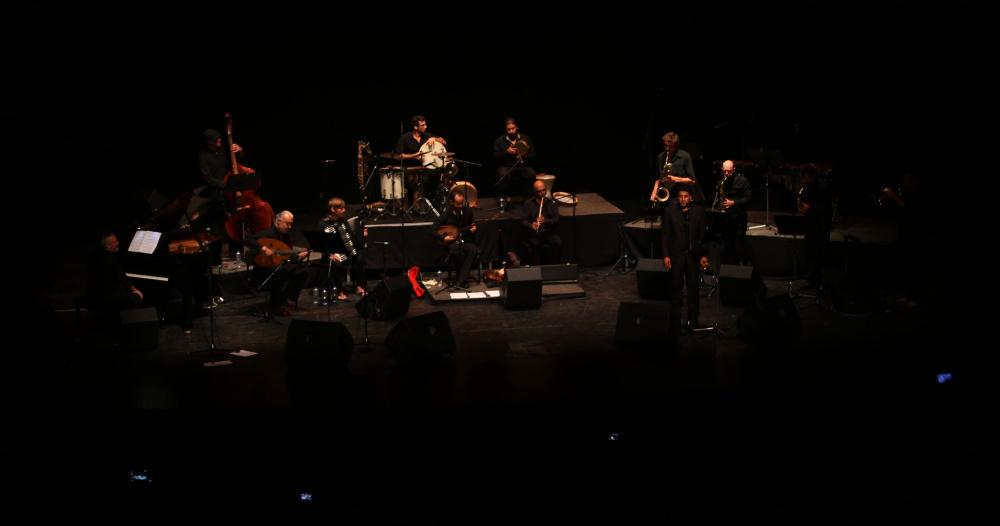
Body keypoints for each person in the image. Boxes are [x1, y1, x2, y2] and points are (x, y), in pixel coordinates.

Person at [661, 188, 710, 334]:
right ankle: (675, 321)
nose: (683, 199)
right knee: (675, 288)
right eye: (680, 196)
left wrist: (703, 255)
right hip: (676, 256)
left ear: (691, 198)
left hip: (693, 256)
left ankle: (693, 320)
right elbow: (665, 235)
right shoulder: (670, 211)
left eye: (686, 196)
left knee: (693, 288)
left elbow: (703, 235)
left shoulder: (698, 211)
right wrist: (666, 255)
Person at [245, 210, 310, 316]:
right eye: (287, 223)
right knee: (280, 272)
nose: (290, 227)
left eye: (291, 224)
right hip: (264, 268)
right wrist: (263, 248)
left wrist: (298, 257)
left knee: (303, 271)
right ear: (278, 221)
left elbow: (287, 255)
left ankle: (287, 299)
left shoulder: (285, 236)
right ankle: (277, 304)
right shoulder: (269, 233)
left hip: (279, 265)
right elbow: (248, 239)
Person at [881, 171, 922, 303]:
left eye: (906, 177)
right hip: (905, 232)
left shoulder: (916, 193)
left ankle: (914, 298)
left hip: (914, 234)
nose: (904, 179)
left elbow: (907, 208)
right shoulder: (906, 191)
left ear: (913, 179)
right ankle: (907, 295)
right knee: (906, 265)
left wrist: (894, 196)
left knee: (913, 266)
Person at [318, 197, 367, 301]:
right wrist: (330, 255)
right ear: (333, 209)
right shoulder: (323, 224)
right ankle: (339, 291)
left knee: (360, 258)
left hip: (345, 254)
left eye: (344, 208)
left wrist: (359, 242)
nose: (344, 210)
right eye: (341, 208)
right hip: (332, 255)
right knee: (336, 263)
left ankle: (359, 286)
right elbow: (322, 245)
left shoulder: (342, 221)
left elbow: (351, 239)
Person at [395, 115, 447, 208]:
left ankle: (429, 206)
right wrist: (415, 156)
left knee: (439, 175)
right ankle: (415, 207)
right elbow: (399, 156)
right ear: (415, 127)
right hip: (410, 170)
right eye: (423, 125)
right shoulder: (405, 138)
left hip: (425, 169)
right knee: (415, 184)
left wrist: (434, 138)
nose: (425, 127)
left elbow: (443, 141)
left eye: (425, 124)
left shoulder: (427, 135)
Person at [432, 190, 479, 289]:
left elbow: (473, 223)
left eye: (462, 203)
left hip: (465, 240)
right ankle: (462, 280)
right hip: (452, 242)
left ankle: (461, 280)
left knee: (473, 250)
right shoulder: (447, 213)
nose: (461, 206)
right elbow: (432, 229)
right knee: (456, 251)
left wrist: (474, 228)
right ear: (452, 202)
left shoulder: (468, 210)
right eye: (458, 204)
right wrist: (443, 237)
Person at [87, 232, 144, 313]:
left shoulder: (97, 255)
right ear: (108, 246)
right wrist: (134, 290)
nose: (118, 243)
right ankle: (127, 318)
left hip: (95, 293)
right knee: (137, 297)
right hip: (107, 296)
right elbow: (122, 278)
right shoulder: (110, 258)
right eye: (115, 242)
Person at [797, 168, 833, 290]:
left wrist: (809, 208)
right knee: (811, 252)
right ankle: (812, 279)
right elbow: (804, 200)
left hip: (821, 225)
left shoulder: (823, 186)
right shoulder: (807, 186)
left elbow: (825, 209)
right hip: (811, 224)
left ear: (812, 176)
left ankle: (822, 281)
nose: (804, 180)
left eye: (806, 177)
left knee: (821, 253)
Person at [714, 160, 753, 265]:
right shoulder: (721, 182)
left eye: (729, 171)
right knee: (727, 244)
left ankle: (742, 266)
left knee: (738, 244)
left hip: (739, 217)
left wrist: (734, 202)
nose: (726, 173)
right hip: (727, 217)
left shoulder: (743, 181)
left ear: (734, 170)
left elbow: (748, 198)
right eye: (724, 171)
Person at [650, 131, 703, 205]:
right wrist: (654, 192)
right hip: (665, 196)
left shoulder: (685, 156)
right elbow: (658, 178)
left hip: (680, 196)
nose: (667, 148)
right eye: (665, 145)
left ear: (676, 145)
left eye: (670, 146)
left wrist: (674, 179)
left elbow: (692, 180)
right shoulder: (661, 157)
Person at [520, 179, 563, 265]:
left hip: (548, 233)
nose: (542, 193)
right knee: (534, 244)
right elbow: (523, 220)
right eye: (539, 191)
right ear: (535, 192)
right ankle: (536, 268)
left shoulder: (552, 203)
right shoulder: (528, 204)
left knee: (558, 242)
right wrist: (531, 225)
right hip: (534, 234)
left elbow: (556, 219)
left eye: (543, 190)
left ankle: (555, 266)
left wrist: (546, 220)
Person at [493, 117, 536, 200]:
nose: (511, 131)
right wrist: (506, 152)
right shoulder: (499, 140)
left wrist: (524, 155)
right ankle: (504, 199)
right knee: (503, 174)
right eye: (508, 129)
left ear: (517, 127)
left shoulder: (525, 138)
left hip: (522, 167)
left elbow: (533, 155)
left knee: (531, 173)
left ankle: (529, 200)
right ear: (506, 130)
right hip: (507, 167)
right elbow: (495, 156)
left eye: (513, 128)